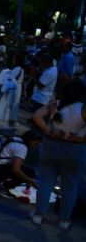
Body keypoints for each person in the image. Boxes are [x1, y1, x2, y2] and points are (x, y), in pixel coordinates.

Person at [32, 79, 86, 230]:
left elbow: (36, 115)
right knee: (70, 185)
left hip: (51, 144)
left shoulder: (55, 105)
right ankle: (64, 220)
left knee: (46, 182)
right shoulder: (82, 109)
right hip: (75, 149)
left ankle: (38, 215)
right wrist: (81, 138)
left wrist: (48, 131)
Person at [0, 53, 25, 127]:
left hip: (13, 87)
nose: (13, 60)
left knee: (9, 103)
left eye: (14, 59)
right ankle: (10, 119)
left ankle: (8, 118)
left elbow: (10, 79)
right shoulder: (21, 69)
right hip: (18, 87)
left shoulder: (17, 69)